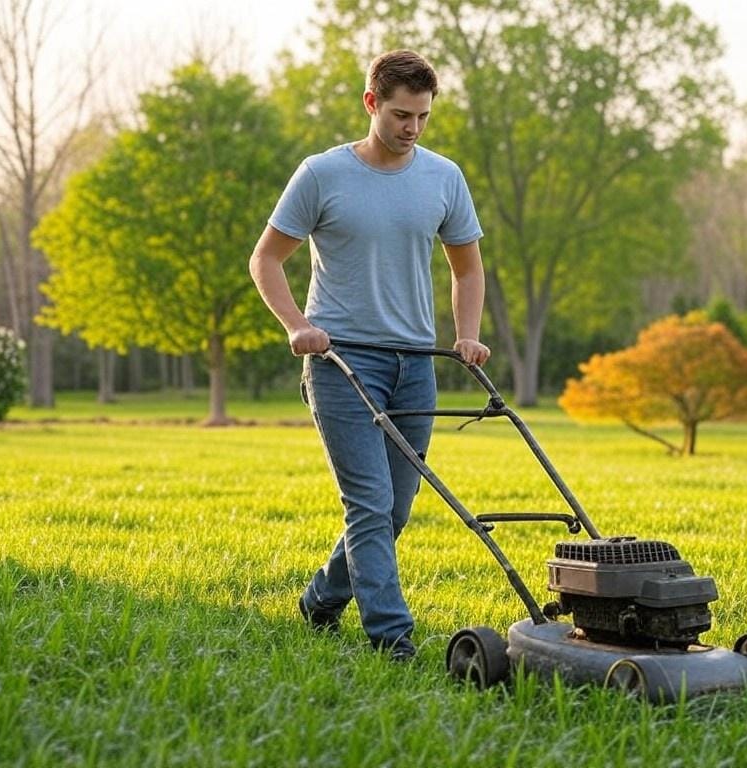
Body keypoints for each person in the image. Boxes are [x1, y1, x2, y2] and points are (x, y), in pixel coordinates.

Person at [249, 49, 489, 661]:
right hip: (342, 364)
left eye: (423, 117)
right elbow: (266, 258)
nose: (412, 128)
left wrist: (466, 333)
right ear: (371, 103)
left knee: (396, 509)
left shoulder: (443, 177)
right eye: (402, 114)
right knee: (369, 504)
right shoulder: (321, 174)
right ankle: (392, 637)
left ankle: (320, 602)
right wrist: (297, 325)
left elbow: (467, 267)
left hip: (416, 364)